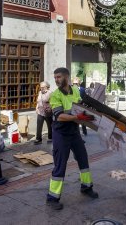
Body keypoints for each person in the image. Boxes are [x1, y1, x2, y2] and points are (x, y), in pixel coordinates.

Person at [47, 67, 98, 210]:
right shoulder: (55, 95)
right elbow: (59, 116)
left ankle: (86, 187)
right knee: (60, 165)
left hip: (74, 131)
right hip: (61, 133)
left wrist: (88, 113)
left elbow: (81, 106)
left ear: (67, 77)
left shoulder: (76, 90)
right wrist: (77, 117)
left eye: (58, 77)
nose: (56, 80)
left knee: (83, 158)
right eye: (55, 77)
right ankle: (52, 198)